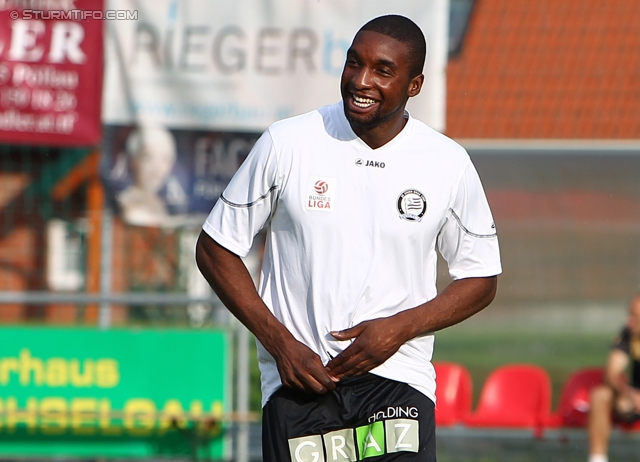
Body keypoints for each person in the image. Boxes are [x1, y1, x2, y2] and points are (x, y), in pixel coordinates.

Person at [196, 14, 501, 461]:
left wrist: (399, 329)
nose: (362, 80)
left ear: (414, 85)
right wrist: (280, 344)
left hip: (397, 382)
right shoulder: (288, 143)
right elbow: (215, 247)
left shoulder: (447, 164)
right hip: (300, 383)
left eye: (382, 70)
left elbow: (481, 278)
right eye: (353, 63)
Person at [588, 295, 640, 462]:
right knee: (600, 395)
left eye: (635, 317)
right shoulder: (629, 334)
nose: (628, 321)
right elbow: (612, 373)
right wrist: (630, 394)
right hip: (634, 399)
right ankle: (597, 459)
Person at [116, 126, 177, 226]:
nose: (157, 168)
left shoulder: (161, 204)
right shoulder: (125, 204)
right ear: (133, 161)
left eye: (165, 158)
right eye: (148, 157)